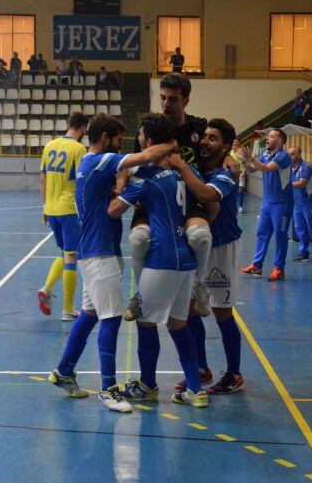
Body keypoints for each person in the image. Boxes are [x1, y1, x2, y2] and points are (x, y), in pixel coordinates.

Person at [47, 113, 178, 412]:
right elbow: (145, 155)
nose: (120, 146)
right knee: (110, 318)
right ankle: (109, 389)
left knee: (90, 314)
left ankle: (64, 372)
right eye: (117, 140)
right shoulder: (98, 160)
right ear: (104, 138)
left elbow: (120, 183)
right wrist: (171, 143)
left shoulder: (90, 165)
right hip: (98, 253)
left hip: (94, 250)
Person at [109, 113, 208, 408]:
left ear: (149, 142)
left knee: (146, 323)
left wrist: (118, 184)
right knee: (178, 325)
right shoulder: (184, 170)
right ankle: (195, 390)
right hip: (186, 260)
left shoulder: (146, 179)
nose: (138, 139)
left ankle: (148, 385)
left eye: (140, 135)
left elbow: (114, 210)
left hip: (161, 257)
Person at [126, 73, 231, 321]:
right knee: (139, 239)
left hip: (189, 197)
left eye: (172, 99)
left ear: (185, 100)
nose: (165, 105)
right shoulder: (150, 129)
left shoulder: (198, 126)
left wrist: (229, 157)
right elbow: (134, 166)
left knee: (201, 237)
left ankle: (199, 285)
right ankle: (140, 294)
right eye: (162, 98)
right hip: (154, 199)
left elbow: (219, 145)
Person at [167, 118, 245, 395]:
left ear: (225, 146)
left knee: (223, 311)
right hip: (197, 244)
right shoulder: (200, 169)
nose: (205, 141)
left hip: (222, 246)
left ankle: (234, 374)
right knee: (190, 310)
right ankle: (201, 368)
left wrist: (180, 165)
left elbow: (205, 194)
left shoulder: (227, 175)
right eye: (205, 136)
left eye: (213, 138)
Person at [37, 112, 90, 321]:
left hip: (51, 209)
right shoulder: (78, 149)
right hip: (69, 209)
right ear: (84, 128)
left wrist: (44, 207)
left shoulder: (49, 145)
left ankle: (47, 289)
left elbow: (42, 179)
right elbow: (82, 181)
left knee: (64, 253)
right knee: (71, 256)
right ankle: (68, 309)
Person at [238, 129, 293, 281]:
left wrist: (251, 157)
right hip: (267, 203)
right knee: (262, 234)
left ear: (280, 140)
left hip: (282, 204)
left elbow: (267, 169)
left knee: (280, 236)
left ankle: (279, 269)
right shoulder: (266, 155)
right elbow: (252, 169)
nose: (267, 138)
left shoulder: (284, 156)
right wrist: (244, 160)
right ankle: (257, 266)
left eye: (271, 136)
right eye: (268, 136)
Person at [289, 146, 312, 263]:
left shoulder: (306, 167)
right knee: (300, 229)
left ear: (299, 154)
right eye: (289, 154)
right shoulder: (291, 168)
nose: (290, 156)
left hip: (309, 203)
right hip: (297, 204)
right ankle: (304, 253)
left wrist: (285, 185)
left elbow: (301, 183)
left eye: (293, 154)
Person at [231, 139, 247, 213]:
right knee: (233, 190)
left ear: (239, 142)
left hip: (241, 172)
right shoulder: (230, 151)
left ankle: (240, 206)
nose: (235, 143)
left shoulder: (242, 150)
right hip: (232, 173)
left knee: (241, 190)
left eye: (236, 141)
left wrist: (244, 171)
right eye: (234, 142)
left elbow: (245, 161)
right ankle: (233, 205)